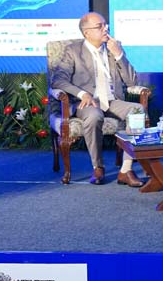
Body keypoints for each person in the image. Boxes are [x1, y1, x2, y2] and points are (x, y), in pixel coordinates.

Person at [50, 12, 146, 186]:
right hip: (86, 102)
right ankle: (98, 166)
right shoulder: (73, 51)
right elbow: (58, 80)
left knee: (137, 110)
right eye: (99, 26)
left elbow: (132, 82)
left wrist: (119, 55)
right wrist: (82, 94)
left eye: (105, 25)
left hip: (111, 101)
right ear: (86, 33)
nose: (105, 29)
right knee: (94, 115)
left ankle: (126, 170)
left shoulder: (113, 47)